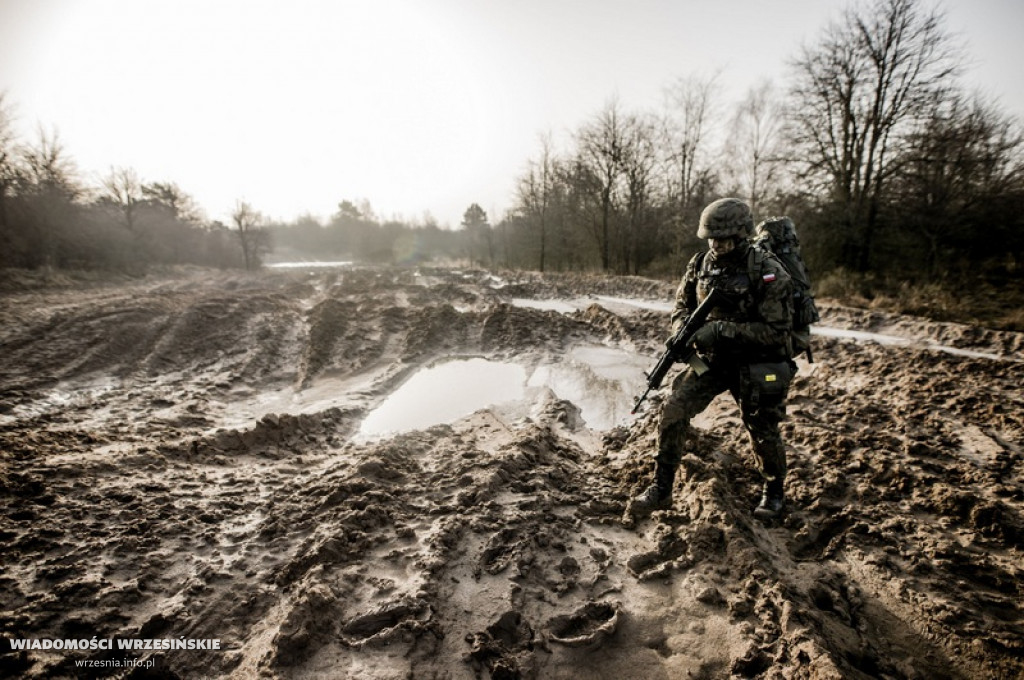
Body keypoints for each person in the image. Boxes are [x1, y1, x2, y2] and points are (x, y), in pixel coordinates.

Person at [629, 198, 795, 521]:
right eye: (711, 238)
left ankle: (774, 491)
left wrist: (722, 330)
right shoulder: (700, 264)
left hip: (753, 363)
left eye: (723, 238)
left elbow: (777, 332)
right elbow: (681, 306)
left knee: (761, 428)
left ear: (742, 235)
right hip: (711, 362)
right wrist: (681, 332)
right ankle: (661, 489)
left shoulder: (768, 271)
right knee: (673, 410)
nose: (716, 244)